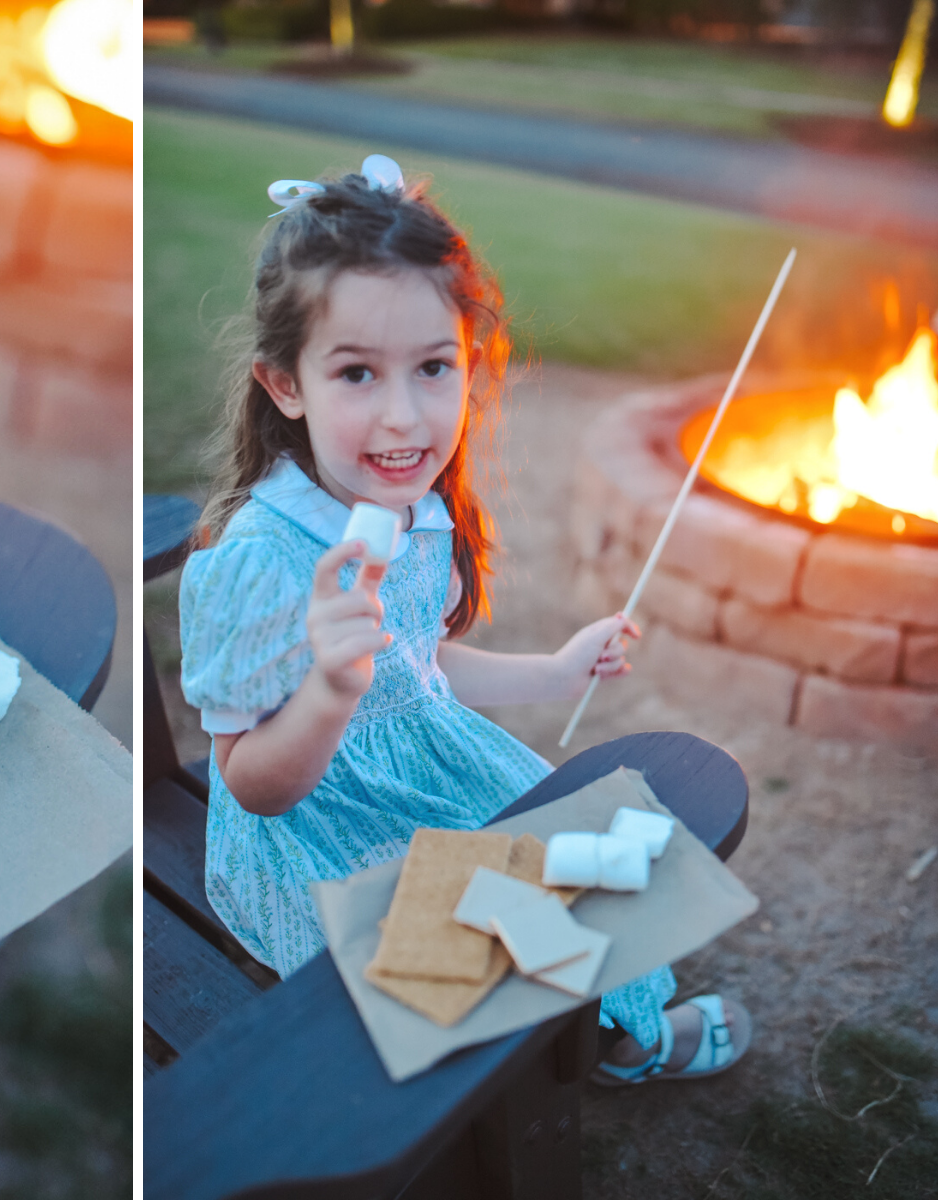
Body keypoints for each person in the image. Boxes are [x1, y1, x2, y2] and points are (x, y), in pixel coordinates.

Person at [178, 155, 750, 1084]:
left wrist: (556, 670)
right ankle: (617, 1047)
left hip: (425, 766)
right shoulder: (257, 562)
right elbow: (251, 785)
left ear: (468, 366)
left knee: (587, 885)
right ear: (286, 385)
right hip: (319, 827)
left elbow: (420, 671)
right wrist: (328, 691)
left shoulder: (417, 508)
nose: (404, 417)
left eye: (433, 367)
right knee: (500, 942)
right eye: (357, 372)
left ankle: (596, 1030)